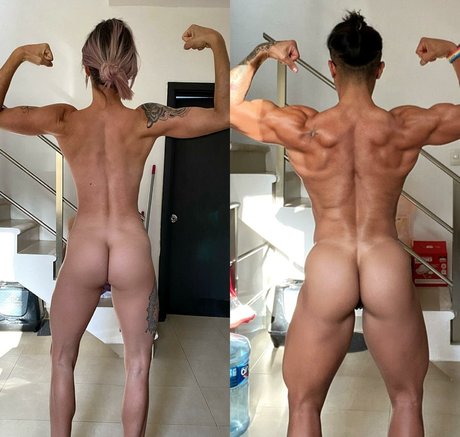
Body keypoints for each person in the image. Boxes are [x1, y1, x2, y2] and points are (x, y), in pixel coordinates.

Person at [230, 11, 460, 437]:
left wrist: (265, 52)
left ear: (332, 68)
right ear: (380, 70)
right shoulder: (403, 126)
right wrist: (452, 51)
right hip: (384, 258)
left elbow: (227, 105)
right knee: (407, 399)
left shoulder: (305, 127)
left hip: (330, 262)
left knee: (303, 405)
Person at [0, 19, 229, 437]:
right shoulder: (146, 119)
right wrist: (215, 41)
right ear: (130, 69)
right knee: (138, 365)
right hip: (130, 248)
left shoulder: (65, 119)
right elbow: (223, 115)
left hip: (85, 246)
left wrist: (19, 56)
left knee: (62, 359)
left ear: (86, 68)